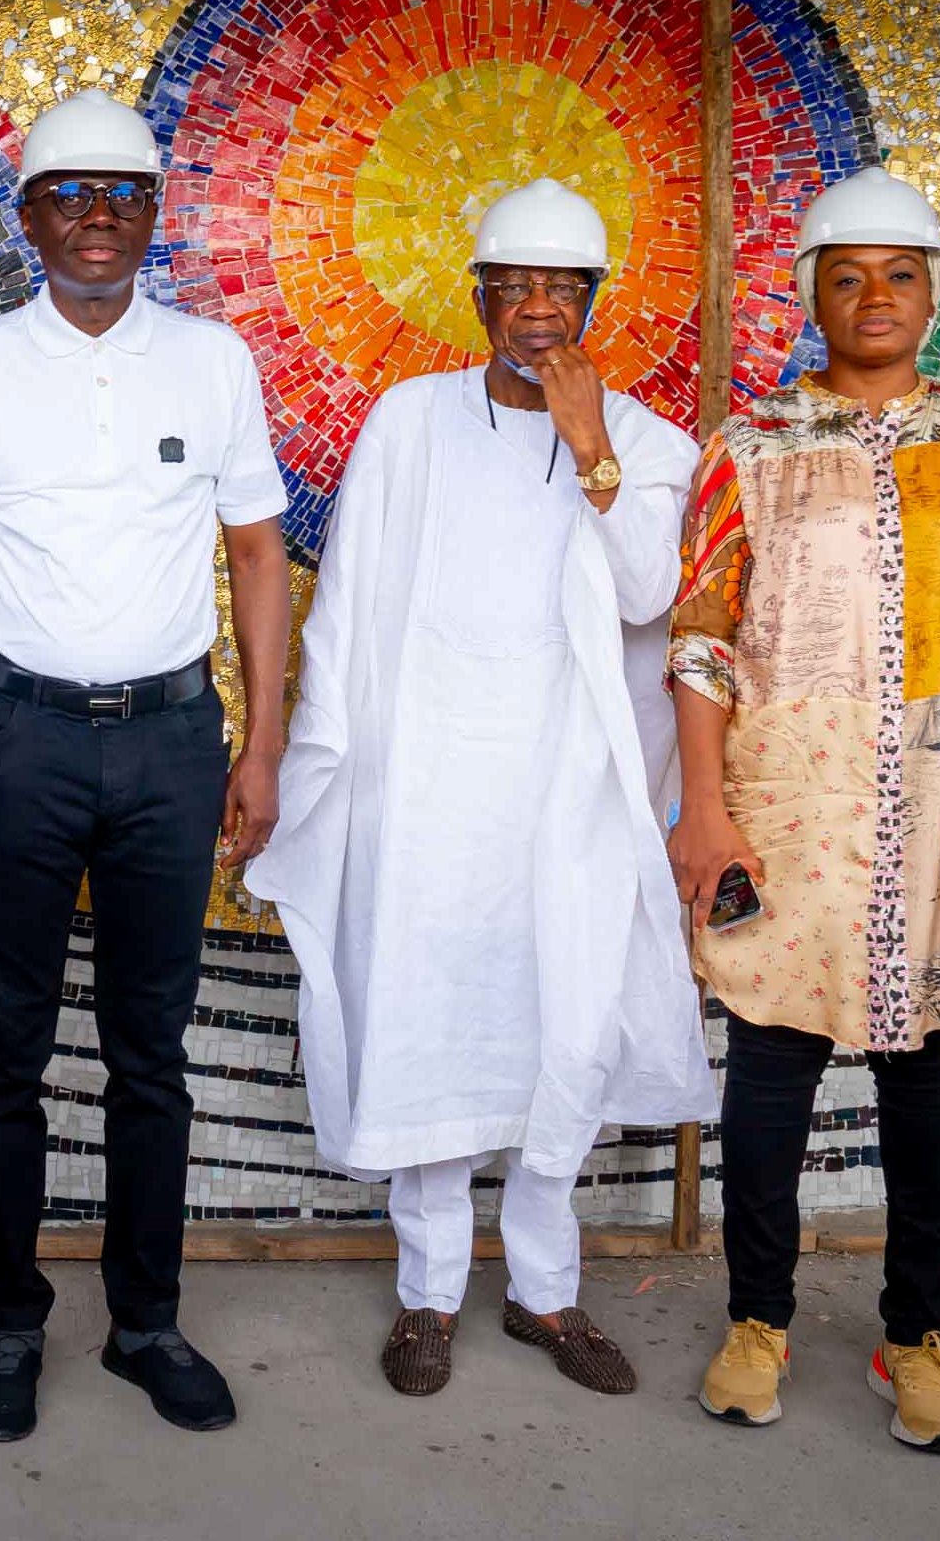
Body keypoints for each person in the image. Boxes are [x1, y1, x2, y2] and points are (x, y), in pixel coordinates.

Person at [246, 180, 714, 1398]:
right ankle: (428, 1295)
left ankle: (546, 1296)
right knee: (429, 1017)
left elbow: (647, 597)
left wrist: (590, 443)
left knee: (564, 1023)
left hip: (566, 786)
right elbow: (346, 598)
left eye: (565, 289)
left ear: (596, 301)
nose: (540, 311)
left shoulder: (651, 442)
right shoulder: (410, 419)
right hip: (428, 778)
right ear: (478, 298)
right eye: (517, 286)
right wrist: (331, 755)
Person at [0, 89, 292, 1443]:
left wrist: (263, 742)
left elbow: (253, 555)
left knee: (149, 1050)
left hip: (176, 741)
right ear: (29, 219)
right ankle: (10, 1319)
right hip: (16, 738)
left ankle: (145, 1320)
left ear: (152, 213)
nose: (99, 217)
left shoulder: (213, 361)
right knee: (5, 1045)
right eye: (71, 194)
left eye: (123, 194)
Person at [666, 167, 940, 1453]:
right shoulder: (751, 444)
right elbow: (703, 638)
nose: (874, 296)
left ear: (931, 292)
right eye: (847, 275)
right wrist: (708, 813)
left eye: (898, 273)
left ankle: (914, 1336)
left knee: (930, 1072)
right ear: (811, 294)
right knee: (771, 1068)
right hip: (789, 801)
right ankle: (757, 1320)